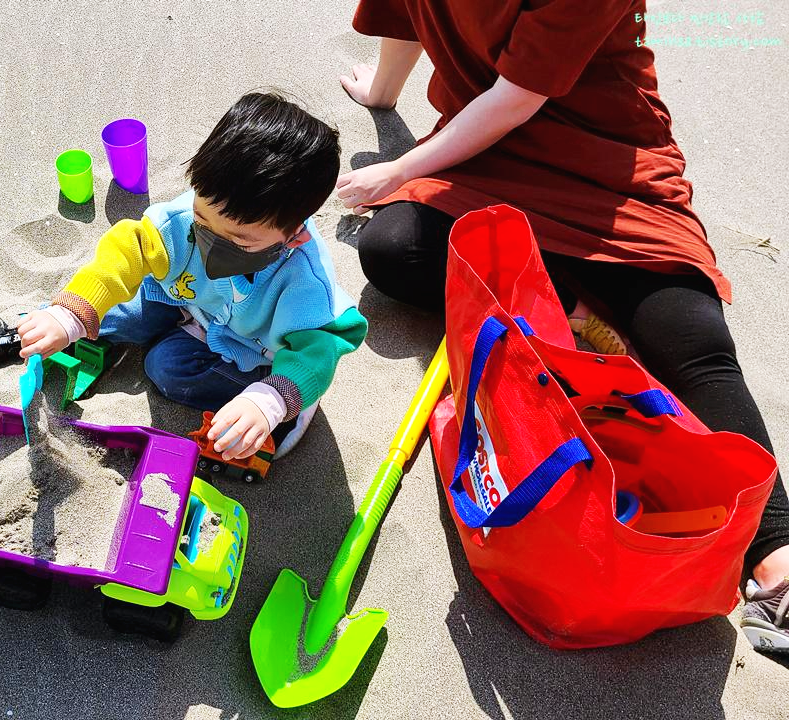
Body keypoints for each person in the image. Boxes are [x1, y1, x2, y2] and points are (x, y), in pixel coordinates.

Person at [337, 0, 788, 653]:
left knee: (694, 344)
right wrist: (381, 93)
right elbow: (406, 12)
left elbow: (518, 99)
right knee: (393, 250)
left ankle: (776, 549)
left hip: (608, 166)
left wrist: (403, 168)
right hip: (483, 158)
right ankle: (576, 314)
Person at [0, 92, 368, 461]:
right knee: (122, 313)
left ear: (292, 235)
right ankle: (39, 329)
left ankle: (271, 408)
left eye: (239, 241)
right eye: (204, 219)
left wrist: (272, 399)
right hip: (190, 301)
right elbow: (128, 251)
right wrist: (70, 314)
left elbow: (321, 347)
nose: (211, 240)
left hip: (257, 352)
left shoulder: (303, 280)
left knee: (166, 365)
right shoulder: (183, 219)